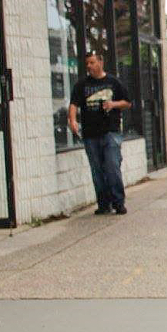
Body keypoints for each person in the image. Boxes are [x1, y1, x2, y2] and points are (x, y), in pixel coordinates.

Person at [67, 52, 132, 215]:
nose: (89, 66)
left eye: (92, 62)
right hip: (90, 134)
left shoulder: (113, 82)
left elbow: (127, 103)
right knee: (97, 171)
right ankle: (103, 204)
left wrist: (113, 104)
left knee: (112, 167)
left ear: (100, 63)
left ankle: (118, 202)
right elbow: (74, 104)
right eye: (87, 63)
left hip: (111, 132)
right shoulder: (81, 85)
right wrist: (73, 120)